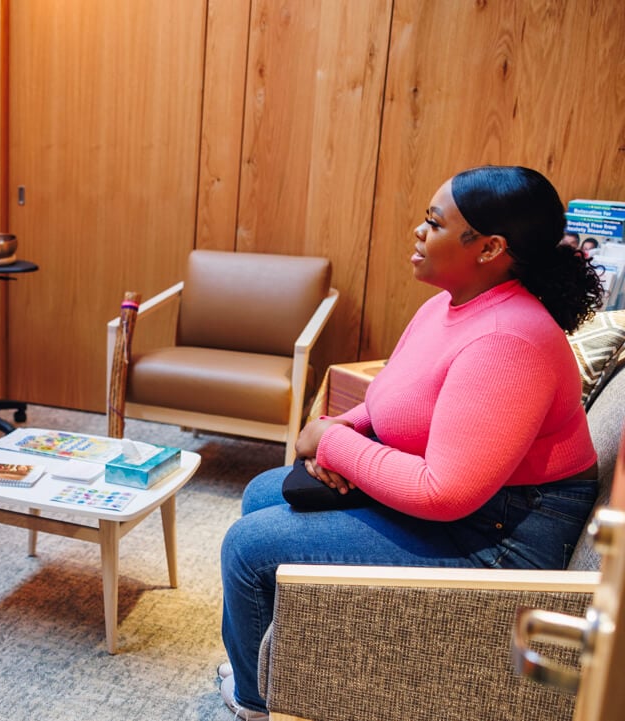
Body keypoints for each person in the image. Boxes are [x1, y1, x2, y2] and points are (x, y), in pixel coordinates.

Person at [216, 165, 603, 720]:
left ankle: (258, 703)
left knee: (250, 547)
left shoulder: (509, 339)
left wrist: (329, 442)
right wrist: (346, 431)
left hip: (499, 540)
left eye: (434, 222)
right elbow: (389, 403)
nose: (418, 232)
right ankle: (292, 661)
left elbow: (446, 494)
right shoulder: (446, 306)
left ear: (490, 247)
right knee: (263, 493)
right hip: (472, 507)